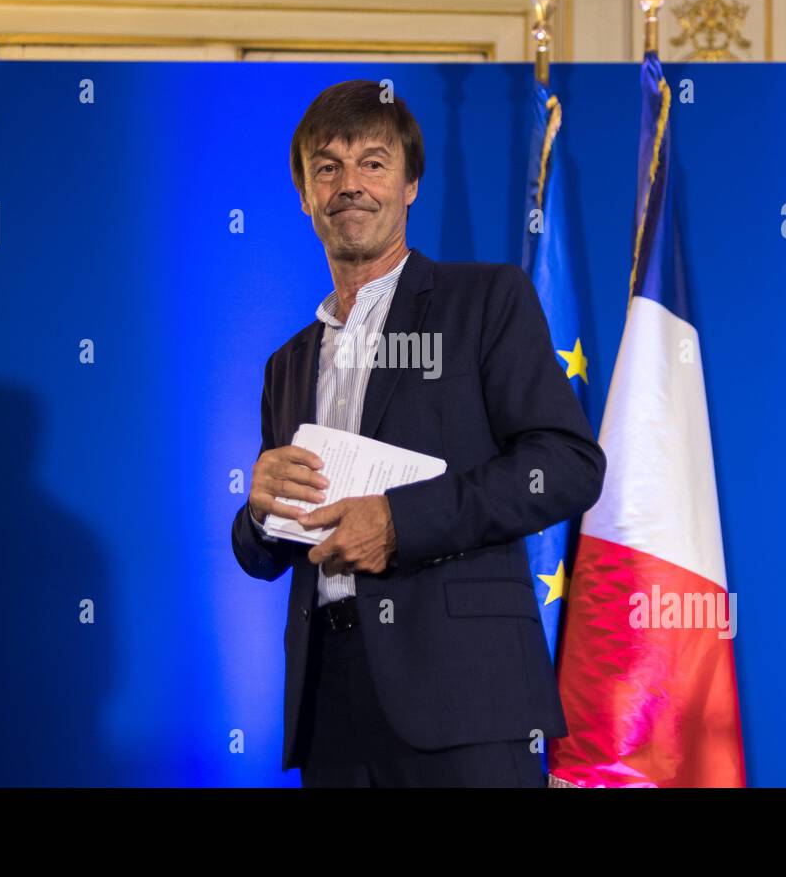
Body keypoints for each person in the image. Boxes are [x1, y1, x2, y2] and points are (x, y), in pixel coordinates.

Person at [230, 79, 605, 787]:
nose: (350, 185)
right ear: (304, 194)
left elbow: (567, 465)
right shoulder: (287, 364)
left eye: (373, 162)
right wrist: (257, 513)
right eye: (328, 167)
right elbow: (264, 552)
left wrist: (399, 522)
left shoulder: (485, 301)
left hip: (465, 699)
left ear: (410, 186)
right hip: (330, 709)